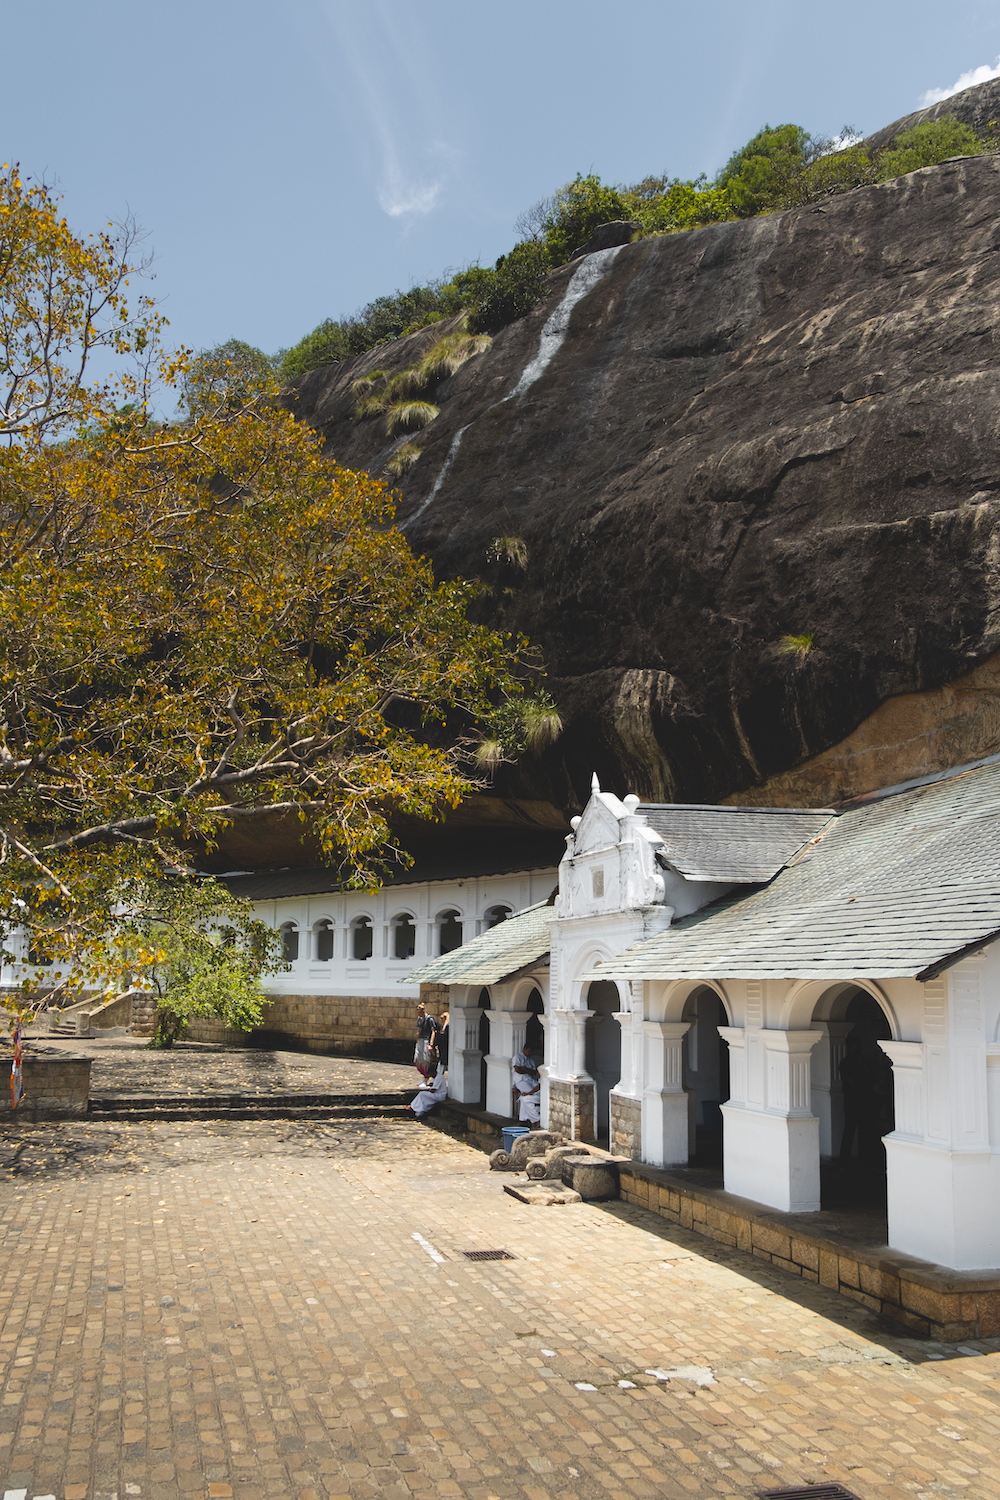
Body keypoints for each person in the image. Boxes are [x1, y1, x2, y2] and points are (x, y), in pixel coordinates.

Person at [511, 1041, 541, 1126]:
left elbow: (534, 1072)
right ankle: (531, 1118)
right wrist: (526, 1070)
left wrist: (525, 1069)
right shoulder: (518, 1057)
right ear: (524, 1049)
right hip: (520, 1081)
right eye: (529, 1051)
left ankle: (523, 1119)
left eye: (531, 1051)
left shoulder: (530, 1060)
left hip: (530, 1080)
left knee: (525, 1097)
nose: (530, 1053)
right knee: (528, 1096)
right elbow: (518, 1070)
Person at [414, 1002, 437, 1080]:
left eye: (419, 1012)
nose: (418, 1014)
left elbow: (433, 1031)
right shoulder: (419, 1019)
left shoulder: (429, 1019)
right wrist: (417, 1041)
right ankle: (424, 1073)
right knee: (417, 1059)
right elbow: (419, 1030)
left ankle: (427, 1076)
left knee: (425, 1060)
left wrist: (431, 1044)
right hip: (420, 1040)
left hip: (426, 1040)